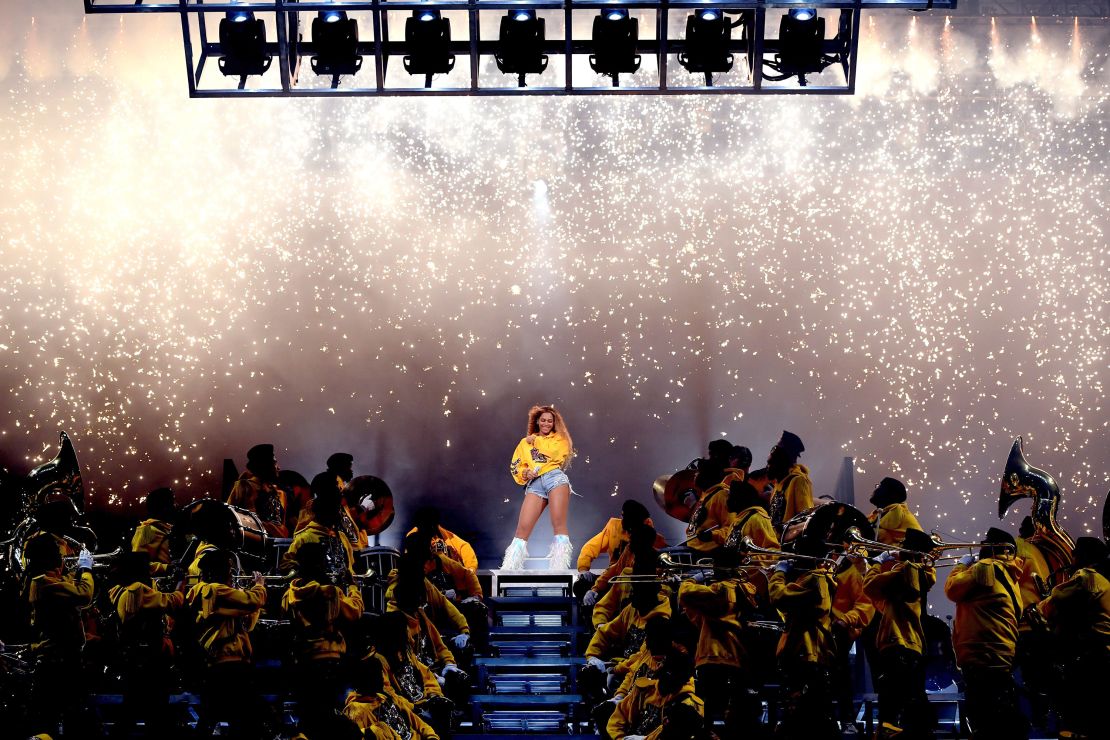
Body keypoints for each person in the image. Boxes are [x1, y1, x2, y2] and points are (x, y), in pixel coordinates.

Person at [186, 548, 272, 740]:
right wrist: (259, 586)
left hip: (234, 662)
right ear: (215, 572)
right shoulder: (211, 589)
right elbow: (254, 600)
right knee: (239, 716)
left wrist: (246, 599)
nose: (232, 574)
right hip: (225, 665)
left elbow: (248, 624)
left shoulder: (224, 594)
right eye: (229, 570)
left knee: (229, 717)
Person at [282, 541, 364, 738]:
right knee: (329, 718)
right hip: (330, 659)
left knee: (310, 717)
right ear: (319, 564)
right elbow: (354, 612)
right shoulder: (331, 592)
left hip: (303, 660)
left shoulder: (289, 594)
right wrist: (352, 587)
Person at [1032, 536, 1110, 739]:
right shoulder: (1102, 579)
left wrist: (1041, 605)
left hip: (1092, 656)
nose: (1071, 557)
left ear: (1083, 556)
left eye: (1075, 553)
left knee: (1079, 714)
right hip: (1097, 652)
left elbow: (1058, 597)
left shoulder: (1086, 576)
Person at [864, 528, 938, 740]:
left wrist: (876, 563)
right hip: (911, 640)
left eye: (903, 544)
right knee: (910, 695)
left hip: (896, 640)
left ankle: (889, 728)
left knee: (890, 694)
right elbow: (883, 603)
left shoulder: (903, 570)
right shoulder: (920, 572)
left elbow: (869, 586)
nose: (898, 547)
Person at [24, 533, 97, 738]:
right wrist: (85, 569)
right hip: (57, 662)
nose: (62, 557)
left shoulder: (50, 580)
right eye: (58, 554)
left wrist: (76, 570)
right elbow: (84, 594)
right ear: (48, 557)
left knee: (66, 716)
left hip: (62, 659)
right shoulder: (43, 583)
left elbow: (69, 584)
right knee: (59, 717)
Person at [107, 551, 185, 740]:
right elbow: (173, 601)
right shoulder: (138, 589)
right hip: (149, 660)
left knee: (130, 709)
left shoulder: (119, 590)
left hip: (132, 657)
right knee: (156, 712)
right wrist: (181, 584)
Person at [768, 544, 839, 739]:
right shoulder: (815, 579)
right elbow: (788, 612)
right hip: (806, 652)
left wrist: (778, 574)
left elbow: (778, 597)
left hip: (805, 652)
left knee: (802, 712)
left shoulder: (813, 579)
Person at [503, 404, 576, 570]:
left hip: (555, 478)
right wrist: (525, 473)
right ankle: (509, 570)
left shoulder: (560, 439)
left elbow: (556, 454)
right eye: (543, 420)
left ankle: (559, 569)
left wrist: (535, 441)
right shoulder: (524, 443)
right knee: (522, 530)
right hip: (535, 484)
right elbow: (516, 465)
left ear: (554, 423)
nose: (546, 424)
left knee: (558, 525)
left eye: (550, 421)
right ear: (537, 421)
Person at [607, 647, 702, 740]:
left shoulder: (688, 706)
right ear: (660, 670)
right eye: (666, 673)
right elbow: (617, 718)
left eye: (674, 676)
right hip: (629, 735)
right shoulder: (645, 689)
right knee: (603, 711)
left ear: (683, 680)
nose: (668, 679)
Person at [578, 500, 666, 582]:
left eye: (625, 517)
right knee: (581, 585)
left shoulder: (648, 533)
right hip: (613, 576)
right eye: (623, 516)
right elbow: (590, 547)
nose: (622, 519)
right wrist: (583, 569)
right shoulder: (614, 527)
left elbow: (664, 555)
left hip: (638, 578)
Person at [281, 485, 355, 580]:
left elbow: (350, 568)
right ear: (321, 511)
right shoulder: (304, 537)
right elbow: (287, 564)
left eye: (338, 508)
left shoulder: (342, 537)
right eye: (333, 509)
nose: (339, 513)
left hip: (343, 593)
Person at [227, 443, 288, 537]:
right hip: (252, 545)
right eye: (274, 462)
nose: (278, 467)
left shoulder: (279, 493)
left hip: (276, 547)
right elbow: (230, 518)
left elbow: (282, 526)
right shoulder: (244, 486)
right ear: (265, 465)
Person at [766, 431, 813, 533]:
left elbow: (805, 520)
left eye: (779, 446)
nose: (767, 467)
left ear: (782, 459)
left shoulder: (798, 481)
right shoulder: (778, 483)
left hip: (787, 546)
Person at [409, 506, 479, 572]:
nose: (432, 528)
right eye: (429, 524)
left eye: (434, 525)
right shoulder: (413, 537)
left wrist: (471, 568)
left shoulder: (445, 534)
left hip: (447, 577)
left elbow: (464, 547)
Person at [131, 487, 176, 576]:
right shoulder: (147, 530)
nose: (174, 506)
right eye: (171, 504)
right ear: (162, 507)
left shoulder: (167, 529)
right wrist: (167, 568)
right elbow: (139, 564)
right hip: (158, 587)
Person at [867, 477, 923, 547]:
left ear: (889, 494)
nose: (875, 489)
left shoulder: (897, 510)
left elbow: (872, 532)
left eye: (880, 486)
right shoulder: (880, 513)